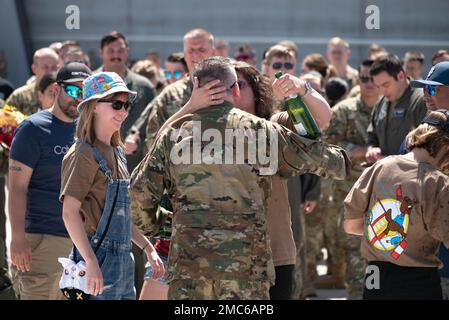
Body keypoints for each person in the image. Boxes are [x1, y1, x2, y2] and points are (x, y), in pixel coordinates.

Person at [130, 56, 349, 300]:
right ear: (234, 89)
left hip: (192, 269)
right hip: (246, 268)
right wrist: (341, 159)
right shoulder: (263, 132)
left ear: (195, 86)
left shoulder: (174, 135)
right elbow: (330, 162)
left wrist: (163, 224)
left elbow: (138, 198)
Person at [60, 72, 164, 300]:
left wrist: (147, 248)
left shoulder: (118, 153)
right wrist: (90, 261)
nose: (124, 112)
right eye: (116, 104)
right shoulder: (83, 154)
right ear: (93, 106)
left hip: (124, 259)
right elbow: (69, 213)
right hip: (96, 258)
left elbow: (121, 215)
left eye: (127, 105)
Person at [344, 109, 449, 300]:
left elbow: (351, 225)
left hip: (374, 278)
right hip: (417, 283)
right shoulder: (438, 183)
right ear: (446, 147)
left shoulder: (380, 167)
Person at [8, 62, 91, 300]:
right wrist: (18, 238)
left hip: (80, 245)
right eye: (73, 91)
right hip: (43, 240)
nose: (79, 98)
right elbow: (16, 187)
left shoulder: (87, 132)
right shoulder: (33, 128)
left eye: (84, 92)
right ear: (56, 89)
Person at [321, 59, 380, 298]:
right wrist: (355, 151)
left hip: (383, 191)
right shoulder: (344, 110)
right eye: (364, 78)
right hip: (349, 191)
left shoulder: (390, 109)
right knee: (353, 249)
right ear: (357, 80)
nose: (368, 83)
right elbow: (325, 145)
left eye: (373, 79)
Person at [125, 28, 216, 154]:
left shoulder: (226, 89)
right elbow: (153, 141)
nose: (196, 55)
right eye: (191, 50)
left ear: (213, 52)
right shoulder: (169, 95)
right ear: (184, 54)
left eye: (201, 50)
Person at [409, 61, 449, 299]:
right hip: (425, 261)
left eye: (433, 89)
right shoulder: (420, 135)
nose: (426, 96)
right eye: (424, 89)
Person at [366, 54, 427, 164]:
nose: (382, 91)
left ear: (400, 76)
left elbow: (426, 147)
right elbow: (372, 134)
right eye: (378, 86)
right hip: (386, 174)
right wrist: (372, 148)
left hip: (412, 175)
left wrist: (390, 161)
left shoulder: (422, 100)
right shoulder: (382, 102)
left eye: (386, 85)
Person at [6, 48, 59, 115]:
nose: (50, 71)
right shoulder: (19, 96)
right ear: (34, 68)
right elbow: (6, 120)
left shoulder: (64, 93)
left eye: (54, 67)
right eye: (45, 67)